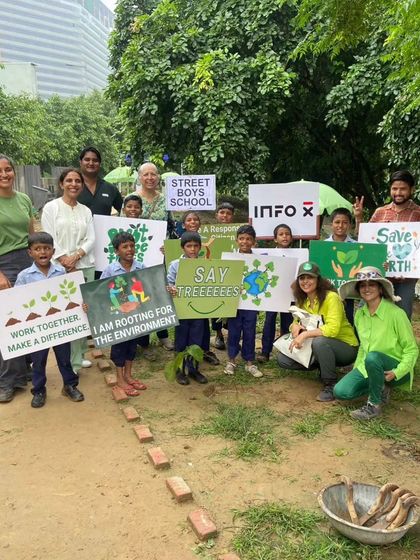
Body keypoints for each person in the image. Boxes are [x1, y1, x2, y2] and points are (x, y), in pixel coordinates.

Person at [334, 267, 418, 420]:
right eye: (362, 285)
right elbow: (363, 347)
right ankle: (380, 387)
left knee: (373, 357)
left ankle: (374, 405)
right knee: (340, 392)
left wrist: (398, 371)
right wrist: (357, 368)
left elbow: (412, 349)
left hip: (395, 367)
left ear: (380, 288)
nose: (367, 289)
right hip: (370, 364)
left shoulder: (396, 314)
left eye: (371, 284)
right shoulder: (360, 314)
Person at [14, 232, 84, 407]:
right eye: (37, 249)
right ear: (30, 253)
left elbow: (72, 297)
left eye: (46, 248)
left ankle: (70, 385)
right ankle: (38, 390)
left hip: (59, 327)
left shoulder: (61, 272)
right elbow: (17, 300)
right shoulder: (24, 276)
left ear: (53, 251)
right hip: (38, 329)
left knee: (64, 358)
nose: (42, 252)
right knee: (38, 361)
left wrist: (82, 304)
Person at [276, 261, 359, 401]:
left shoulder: (331, 298)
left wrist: (306, 334)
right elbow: (296, 320)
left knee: (320, 342)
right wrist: (294, 327)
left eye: (310, 277)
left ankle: (330, 384)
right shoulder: (303, 300)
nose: (305, 281)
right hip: (317, 346)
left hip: (345, 347)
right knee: (282, 359)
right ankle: (323, 366)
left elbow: (332, 329)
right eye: (302, 278)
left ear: (318, 280)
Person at [41, 168, 95, 374]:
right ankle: (68, 364)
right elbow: (48, 236)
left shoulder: (85, 210)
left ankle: (79, 357)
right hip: (58, 268)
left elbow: (91, 238)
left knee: (82, 313)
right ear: (62, 184)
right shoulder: (51, 208)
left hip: (84, 266)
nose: (74, 184)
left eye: (77, 181)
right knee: (65, 315)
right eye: (69, 180)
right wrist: (65, 259)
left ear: (82, 185)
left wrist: (77, 256)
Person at [353, 170, 420, 318]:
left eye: (403, 189)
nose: (398, 192)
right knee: (367, 312)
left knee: (402, 315)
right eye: (394, 188)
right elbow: (364, 240)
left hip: (405, 278)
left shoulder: (418, 213)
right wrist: (358, 218)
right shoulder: (380, 212)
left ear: (411, 190)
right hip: (379, 276)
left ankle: (402, 342)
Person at [0, 155, 35, 403]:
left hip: (27, 260)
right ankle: (6, 381)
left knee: (29, 318)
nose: (4, 175)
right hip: (3, 265)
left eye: (8, 169)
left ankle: (23, 371)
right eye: (0, 171)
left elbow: (32, 234)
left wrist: (38, 262)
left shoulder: (23, 199)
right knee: (8, 325)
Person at [100, 232, 148, 397]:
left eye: (132, 246)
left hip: (136, 315)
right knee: (119, 347)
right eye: (125, 247)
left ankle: (128, 375)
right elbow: (101, 291)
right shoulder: (110, 270)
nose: (129, 249)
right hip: (119, 317)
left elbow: (147, 286)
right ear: (116, 251)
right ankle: (120, 378)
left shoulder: (141, 267)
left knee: (132, 346)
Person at [135, 162, 175, 351]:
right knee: (139, 293)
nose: (150, 178)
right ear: (140, 177)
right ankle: (143, 340)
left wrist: (169, 246)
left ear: (158, 177)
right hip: (137, 256)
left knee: (160, 293)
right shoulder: (131, 198)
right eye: (146, 174)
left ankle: (163, 335)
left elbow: (172, 227)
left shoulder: (166, 201)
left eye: (153, 174)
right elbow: (122, 224)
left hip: (160, 257)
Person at [167, 232, 208, 385]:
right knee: (181, 341)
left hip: (198, 310)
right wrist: (171, 289)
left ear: (200, 247)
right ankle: (179, 370)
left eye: (196, 246)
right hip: (182, 310)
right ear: (182, 248)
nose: (192, 249)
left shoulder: (205, 264)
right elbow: (169, 284)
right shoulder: (175, 265)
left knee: (196, 340)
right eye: (189, 246)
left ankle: (193, 370)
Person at [224, 225, 264, 378]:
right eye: (241, 238)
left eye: (248, 239)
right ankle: (231, 360)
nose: (245, 242)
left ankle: (249, 362)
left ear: (253, 241)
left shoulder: (260, 261)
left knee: (250, 331)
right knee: (233, 331)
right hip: (235, 303)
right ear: (236, 240)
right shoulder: (230, 259)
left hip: (251, 303)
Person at [257, 223, 294, 362]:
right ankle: (265, 352)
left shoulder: (299, 254)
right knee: (269, 321)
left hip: (290, 295)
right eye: (281, 234)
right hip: (272, 295)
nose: (285, 236)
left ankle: (286, 352)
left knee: (288, 323)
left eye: (287, 234)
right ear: (275, 239)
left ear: (291, 238)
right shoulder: (268, 255)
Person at [325, 208, 357, 324]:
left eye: (345, 222)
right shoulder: (323, 246)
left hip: (347, 292)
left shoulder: (356, 246)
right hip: (327, 292)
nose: (341, 225)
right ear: (331, 224)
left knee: (347, 319)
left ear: (349, 225)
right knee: (327, 319)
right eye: (337, 222)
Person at [212, 202, 235, 350]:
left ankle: (232, 332)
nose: (224, 216)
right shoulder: (208, 232)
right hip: (214, 272)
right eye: (222, 212)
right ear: (216, 215)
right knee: (215, 304)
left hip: (233, 272)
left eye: (228, 213)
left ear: (232, 216)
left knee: (233, 303)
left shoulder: (237, 232)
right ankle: (218, 334)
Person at [77, 146, 123, 216]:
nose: (91, 163)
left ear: (99, 164)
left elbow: (124, 211)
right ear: (80, 162)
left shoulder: (110, 189)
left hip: (103, 226)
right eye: (87, 159)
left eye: (95, 160)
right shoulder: (73, 187)